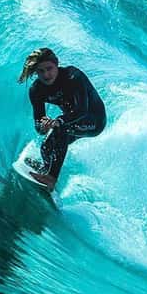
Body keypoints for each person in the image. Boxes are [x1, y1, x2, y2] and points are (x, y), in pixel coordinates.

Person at [17, 47, 106, 190]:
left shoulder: (73, 76)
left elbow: (82, 110)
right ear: (35, 72)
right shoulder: (36, 90)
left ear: (57, 64)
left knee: (61, 128)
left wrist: (59, 121)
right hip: (70, 121)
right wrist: (43, 126)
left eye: (49, 68)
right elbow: (39, 126)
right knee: (46, 147)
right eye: (41, 71)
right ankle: (46, 170)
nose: (46, 74)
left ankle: (51, 178)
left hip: (95, 120)